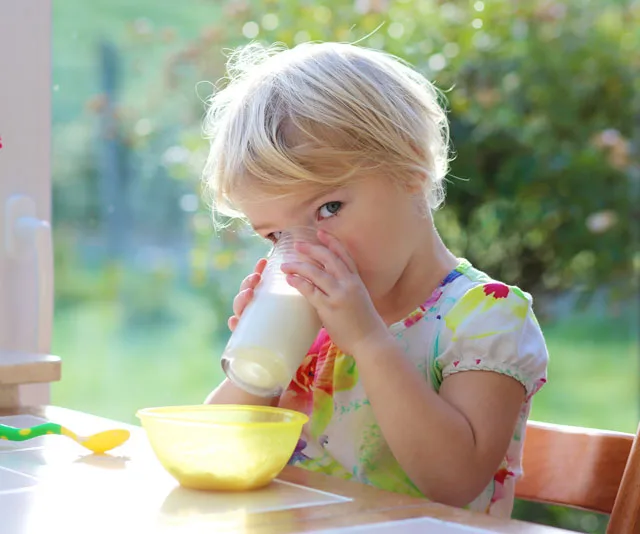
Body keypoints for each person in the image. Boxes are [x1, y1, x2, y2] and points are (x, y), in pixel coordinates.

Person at [202, 41, 548, 518]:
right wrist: (259, 366)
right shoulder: (312, 330)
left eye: (328, 209)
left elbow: (454, 481)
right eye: (278, 235)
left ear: (410, 166)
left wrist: (367, 340)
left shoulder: (486, 317)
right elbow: (214, 450)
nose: (307, 251)